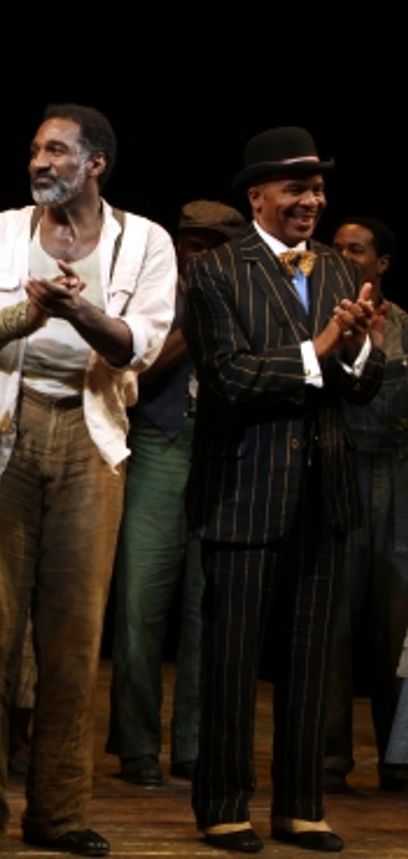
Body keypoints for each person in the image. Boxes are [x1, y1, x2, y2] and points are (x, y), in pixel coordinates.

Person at [0, 104, 176, 859]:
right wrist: (24, 312)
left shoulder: (144, 241)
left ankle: (60, 808)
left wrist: (77, 308)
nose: (39, 162)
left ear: (95, 162)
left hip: (90, 437)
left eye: (55, 150)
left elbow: (138, 344)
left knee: (75, 631)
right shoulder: (2, 231)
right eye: (35, 149)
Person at [184, 126, 383, 854]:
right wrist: (325, 346)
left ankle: (301, 805)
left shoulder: (335, 268)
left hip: (323, 487)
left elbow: (360, 387)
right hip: (245, 484)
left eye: (319, 188)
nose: (313, 200)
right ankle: (223, 803)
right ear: (258, 195)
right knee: (232, 658)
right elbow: (233, 379)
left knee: (310, 660)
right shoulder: (216, 273)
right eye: (297, 188)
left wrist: (360, 346)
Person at [106, 200, 245, 786]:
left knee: (206, 609)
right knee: (140, 604)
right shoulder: (161, 296)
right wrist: (195, 329)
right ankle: (137, 744)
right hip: (162, 446)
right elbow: (130, 372)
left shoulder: (250, 301)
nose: (199, 254)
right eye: (192, 242)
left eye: (213, 244)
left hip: (225, 455)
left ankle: (192, 744)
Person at [323, 216, 408, 794]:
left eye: (357, 250)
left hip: (397, 480)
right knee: (333, 624)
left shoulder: (404, 324)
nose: (345, 257)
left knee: (395, 628)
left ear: (381, 263)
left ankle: (397, 756)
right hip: (341, 469)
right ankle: (329, 758)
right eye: (337, 249)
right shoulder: (321, 320)